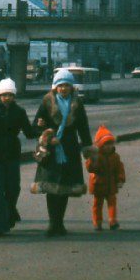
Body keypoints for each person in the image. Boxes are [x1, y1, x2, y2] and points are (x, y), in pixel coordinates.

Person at [33, 68, 92, 236]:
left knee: (65, 187)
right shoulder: (47, 102)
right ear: (55, 87)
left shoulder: (77, 103)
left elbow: (83, 126)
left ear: (71, 87)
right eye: (60, 85)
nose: (63, 89)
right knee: (51, 187)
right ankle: (53, 223)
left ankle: (60, 223)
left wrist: (87, 147)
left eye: (66, 85)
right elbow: (35, 127)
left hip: (70, 148)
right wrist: (45, 133)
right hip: (51, 149)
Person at [0, 78, 38, 237]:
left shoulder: (19, 112)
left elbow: (29, 132)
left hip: (12, 154)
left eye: (10, 95)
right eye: (4, 95)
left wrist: (40, 127)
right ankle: (0, 226)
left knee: (13, 188)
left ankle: (9, 211)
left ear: (14, 96)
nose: (7, 98)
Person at [86, 125, 126, 231]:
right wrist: (91, 159)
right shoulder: (96, 156)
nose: (108, 147)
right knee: (97, 204)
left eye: (110, 144)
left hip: (111, 183)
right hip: (98, 184)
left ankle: (113, 220)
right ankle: (97, 222)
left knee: (112, 203)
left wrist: (120, 179)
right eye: (105, 144)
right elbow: (90, 168)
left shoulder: (115, 156)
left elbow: (120, 169)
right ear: (100, 145)